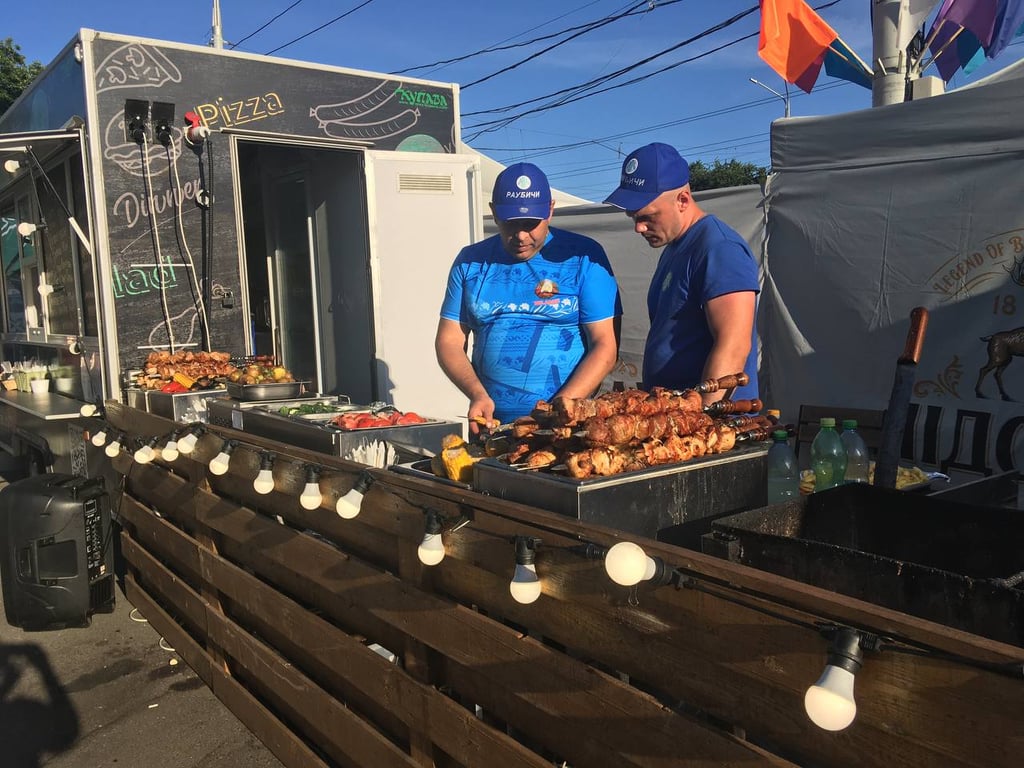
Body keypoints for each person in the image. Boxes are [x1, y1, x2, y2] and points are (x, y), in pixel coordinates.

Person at [436, 162, 622, 433]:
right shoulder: (470, 262)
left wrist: (558, 410)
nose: (521, 236)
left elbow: (605, 346)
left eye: (531, 224)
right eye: (511, 224)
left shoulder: (584, 257)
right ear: (493, 213)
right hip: (493, 427)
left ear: (550, 209)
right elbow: (449, 340)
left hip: (566, 427)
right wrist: (476, 393)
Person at [604, 142, 759, 404]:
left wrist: (702, 426)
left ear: (683, 200)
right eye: (633, 217)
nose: (639, 228)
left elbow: (733, 348)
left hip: (712, 428)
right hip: (674, 418)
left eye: (648, 217)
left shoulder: (720, 249)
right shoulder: (676, 248)